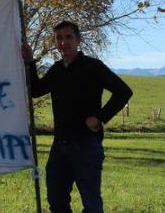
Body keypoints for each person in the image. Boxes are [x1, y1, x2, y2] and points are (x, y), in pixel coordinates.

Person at [23, 20, 132, 213]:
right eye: (59, 38)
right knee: (56, 202)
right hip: (59, 146)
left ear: (78, 40)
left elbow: (123, 91)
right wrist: (30, 62)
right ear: (55, 42)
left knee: (91, 205)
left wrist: (100, 117)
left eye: (68, 37)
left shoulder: (93, 66)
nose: (64, 42)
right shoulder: (57, 70)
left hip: (86, 146)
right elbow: (36, 90)